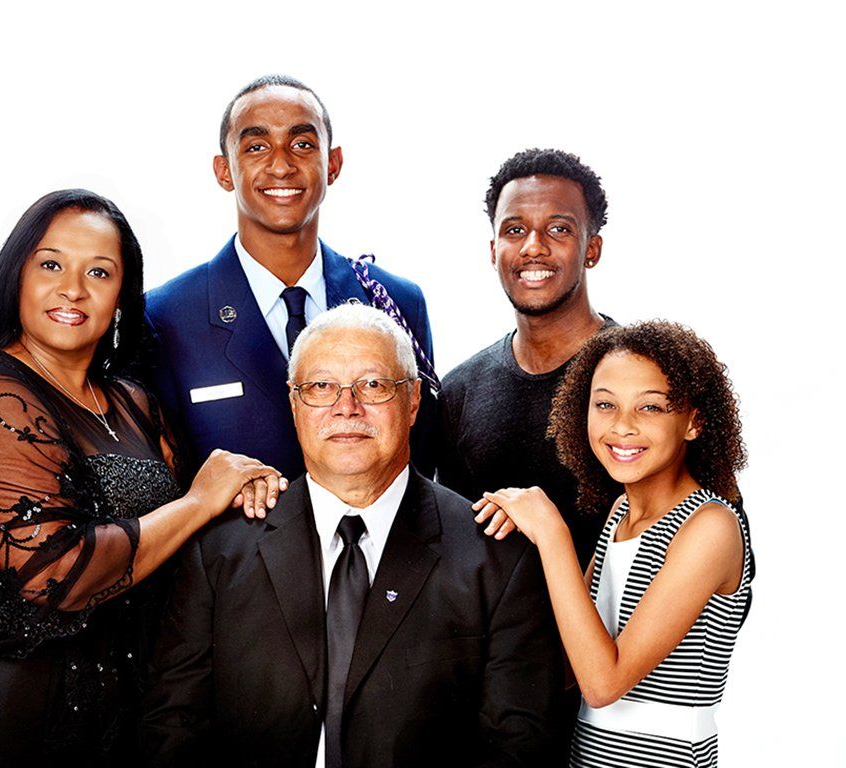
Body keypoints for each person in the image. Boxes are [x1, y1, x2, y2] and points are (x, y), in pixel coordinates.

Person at [0, 189, 287, 767]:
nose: (73, 289)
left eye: (99, 272)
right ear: (18, 276)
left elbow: (186, 539)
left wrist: (240, 492)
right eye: (51, 264)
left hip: (136, 702)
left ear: (121, 296)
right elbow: (55, 574)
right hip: (18, 709)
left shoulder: (132, 401)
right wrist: (199, 503)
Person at [141, 304, 565, 767]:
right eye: (321, 386)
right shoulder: (222, 546)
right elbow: (173, 727)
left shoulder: (496, 554)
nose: (347, 407)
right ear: (293, 402)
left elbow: (519, 747)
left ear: (414, 401)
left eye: (374, 385)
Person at [474, 321, 754, 767]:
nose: (622, 426)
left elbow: (603, 684)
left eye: (651, 408)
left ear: (694, 422)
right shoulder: (621, 512)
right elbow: (572, 662)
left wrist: (552, 532)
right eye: (605, 404)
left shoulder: (710, 527)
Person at [143, 74, 436, 485]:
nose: (281, 165)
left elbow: (419, 467)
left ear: (332, 164)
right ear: (224, 170)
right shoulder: (165, 316)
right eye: (257, 147)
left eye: (302, 144)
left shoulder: (396, 301)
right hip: (230, 549)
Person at [436, 148, 619, 570]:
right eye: (515, 230)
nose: (533, 248)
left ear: (592, 249)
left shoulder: (643, 375)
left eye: (558, 229)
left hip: (620, 636)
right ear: (493, 248)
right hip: (493, 636)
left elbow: (707, 536)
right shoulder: (459, 392)